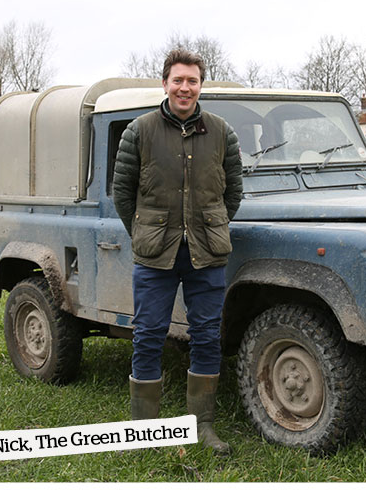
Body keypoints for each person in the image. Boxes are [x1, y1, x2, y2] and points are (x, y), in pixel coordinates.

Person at [112, 48, 242, 454]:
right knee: (148, 335)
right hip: (155, 254)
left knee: (206, 336)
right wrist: (144, 232)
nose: (185, 88)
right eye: (178, 80)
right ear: (164, 83)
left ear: (201, 85)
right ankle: (144, 431)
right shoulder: (139, 131)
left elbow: (233, 192)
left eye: (193, 81)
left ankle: (202, 425)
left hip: (207, 254)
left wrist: (210, 225)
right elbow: (122, 193)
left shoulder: (222, 132)